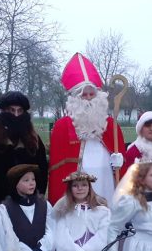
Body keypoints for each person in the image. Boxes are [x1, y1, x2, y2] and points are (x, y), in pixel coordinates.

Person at [49, 53, 125, 203]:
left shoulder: (110, 124)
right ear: (76, 98)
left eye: (92, 94)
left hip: (106, 178)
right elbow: (58, 168)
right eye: (85, 95)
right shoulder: (62, 126)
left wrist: (120, 161)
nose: (89, 98)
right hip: (79, 183)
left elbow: (120, 154)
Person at [0, 91, 47, 202]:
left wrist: (39, 195)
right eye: (11, 110)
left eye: (20, 111)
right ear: (3, 111)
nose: (16, 115)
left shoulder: (34, 140)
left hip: (28, 199)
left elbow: (42, 170)